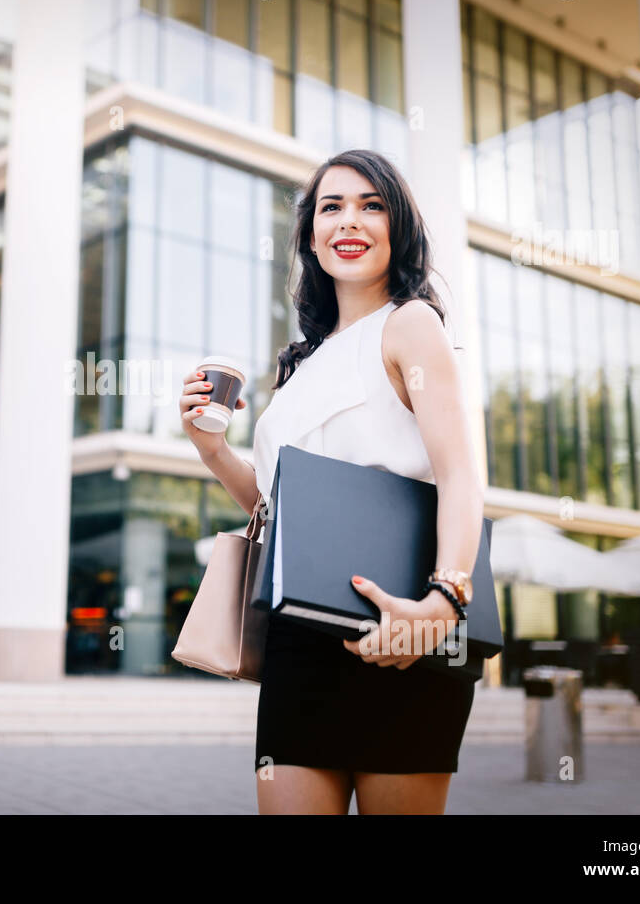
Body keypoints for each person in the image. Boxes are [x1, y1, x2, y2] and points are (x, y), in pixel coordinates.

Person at [181, 148, 485, 814]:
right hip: (297, 640)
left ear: (397, 226)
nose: (350, 220)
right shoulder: (300, 366)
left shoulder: (411, 324)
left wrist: (444, 604)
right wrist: (213, 450)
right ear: (311, 236)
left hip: (399, 624)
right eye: (332, 206)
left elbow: (462, 473)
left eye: (371, 205)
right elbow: (281, 512)